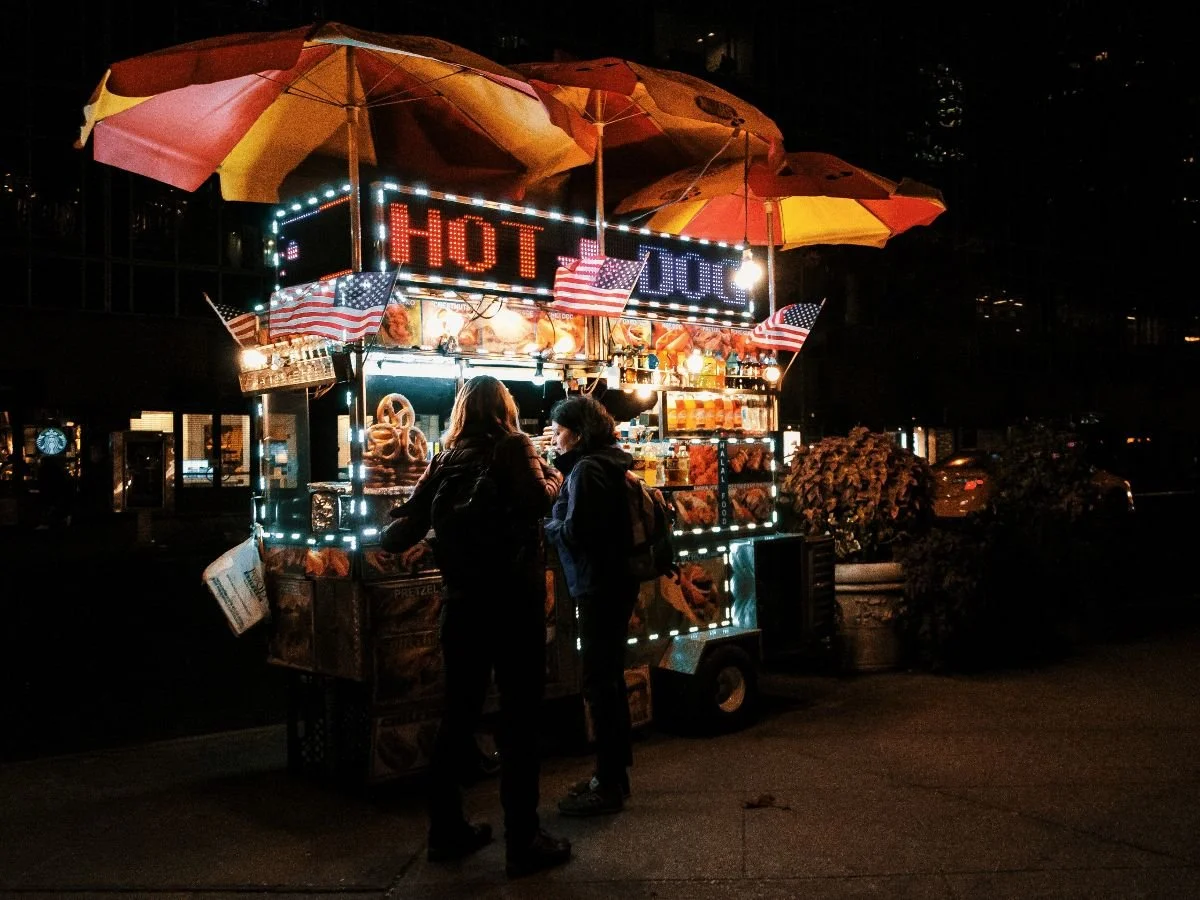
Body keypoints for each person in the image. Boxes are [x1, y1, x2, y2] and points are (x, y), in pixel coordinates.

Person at [381, 374, 571, 878]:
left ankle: (445, 832)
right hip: (514, 604)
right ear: (504, 408)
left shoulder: (444, 460)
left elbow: (401, 530)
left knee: (457, 717)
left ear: (462, 411)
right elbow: (538, 500)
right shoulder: (515, 446)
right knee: (519, 718)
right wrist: (554, 476)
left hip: (461, 604)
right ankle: (523, 839)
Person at [543, 394, 640, 816]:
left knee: (599, 684)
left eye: (561, 431)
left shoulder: (587, 471)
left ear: (579, 433)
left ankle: (609, 785)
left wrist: (548, 525)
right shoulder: (610, 463)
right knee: (610, 680)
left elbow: (577, 532)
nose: (557, 439)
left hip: (598, 585)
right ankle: (613, 774)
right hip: (616, 582)